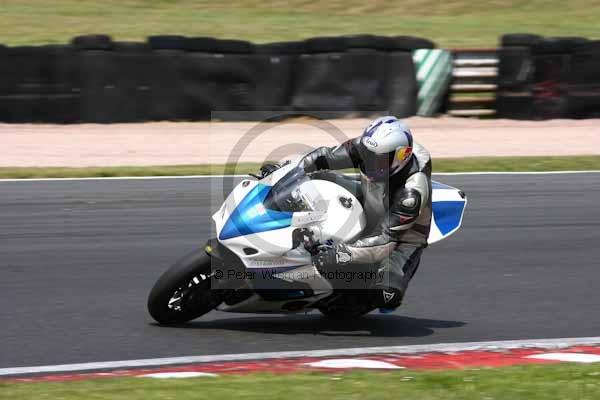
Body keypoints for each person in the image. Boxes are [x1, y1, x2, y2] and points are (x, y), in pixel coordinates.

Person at [300, 116, 432, 310]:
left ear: (401, 156)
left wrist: (341, 254)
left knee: (385, 294)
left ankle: (359, 294)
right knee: (316, 179)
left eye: (379, 160)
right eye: (368, 156)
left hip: (401, 239)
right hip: (370, 198)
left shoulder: (410, 193)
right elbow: (323, 157)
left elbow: (385, 242)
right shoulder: (369, 147)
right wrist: (286, 168)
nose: (370, 163)